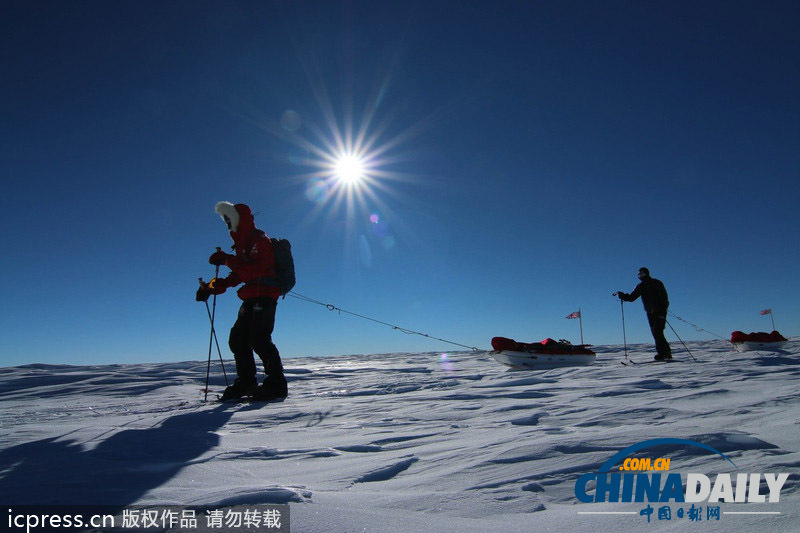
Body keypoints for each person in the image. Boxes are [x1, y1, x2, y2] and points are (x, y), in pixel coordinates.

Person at [196, 201, 288, 401]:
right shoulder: (242, 243)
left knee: (259, 339)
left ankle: (276, 383)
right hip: (252, 295)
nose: (228, 224)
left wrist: (227, 259)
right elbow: (240, 273)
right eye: (226, 220)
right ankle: (247, 382)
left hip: (264, 295)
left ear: (240, 219)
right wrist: (213, 287)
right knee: (238, 339)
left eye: (230, 219)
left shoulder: (258, 239)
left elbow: (254, 270)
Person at [617, 267, 672, 360]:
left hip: (659, 312)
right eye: (639, 275)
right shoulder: (641, 286)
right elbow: (632, 297)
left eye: (642, 274)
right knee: (656, 333)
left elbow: (664, 298)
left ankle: (664, 353)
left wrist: (662, 311)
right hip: (650, 313)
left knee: (657, 332)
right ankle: (665, 353)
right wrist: (623, 296)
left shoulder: (656, 283)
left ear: (647, 273)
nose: (641, 276)